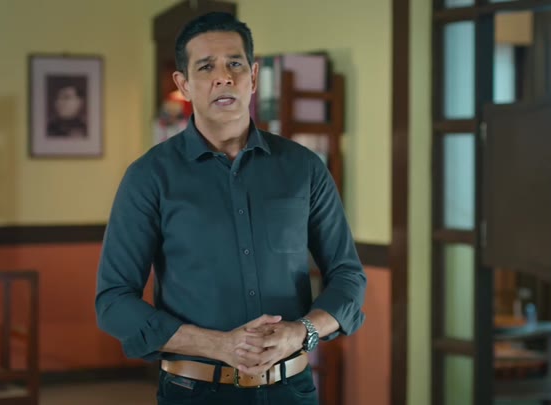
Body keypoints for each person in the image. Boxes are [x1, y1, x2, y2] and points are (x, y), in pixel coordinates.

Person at [95, 12, 366, 405]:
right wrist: (219, 345)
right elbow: (114, 301)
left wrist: (300, 332)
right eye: (206, 67)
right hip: (193, 393)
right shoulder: (148, 176)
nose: (223, 77)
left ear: (253, 77)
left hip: (293, 391)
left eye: (235, 64)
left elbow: (348, 276)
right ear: (183, 84)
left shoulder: (304, 168)